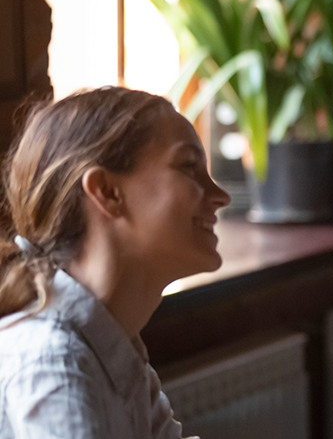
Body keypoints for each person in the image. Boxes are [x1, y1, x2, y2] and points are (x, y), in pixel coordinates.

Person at [0, 86, 231, 439]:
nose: (220, 196)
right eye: (188, 167)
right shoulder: (54, 365)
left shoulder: (116, 346)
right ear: (107, 192)